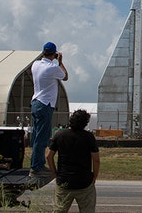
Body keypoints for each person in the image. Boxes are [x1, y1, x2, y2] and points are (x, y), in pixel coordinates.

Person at [46, 109, 100, 213]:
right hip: (84, 181)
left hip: (64, 180)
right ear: (85, 123)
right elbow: (96, 160)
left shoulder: (59, 135)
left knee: (59, 210)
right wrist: (94, 177)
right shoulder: (89, 137)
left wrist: (55, 173)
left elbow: (49, 156)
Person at [30, 41, 68, 179]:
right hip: (45, 104)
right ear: (54, 53)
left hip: (36, 102)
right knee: (42, 137)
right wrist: (60, 62)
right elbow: (65, 76)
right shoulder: (52, 68)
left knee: (36, 136)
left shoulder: (35, 65)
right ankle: (36, 167)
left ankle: (37, 164)